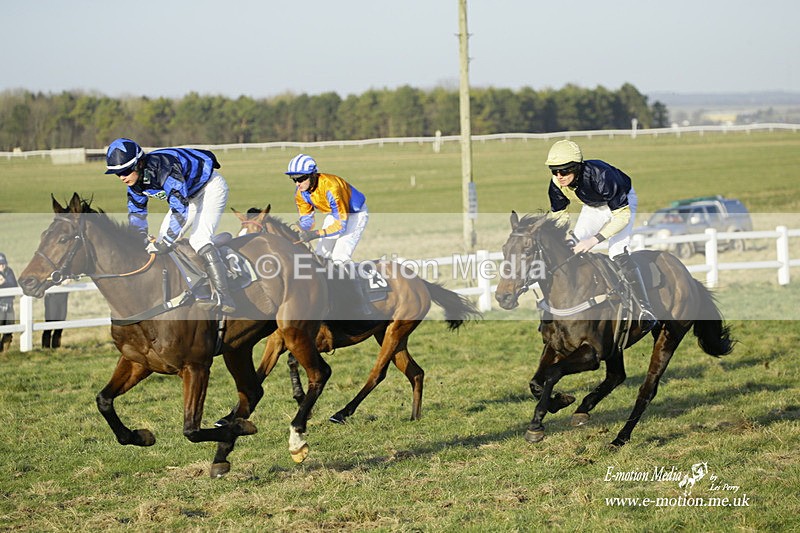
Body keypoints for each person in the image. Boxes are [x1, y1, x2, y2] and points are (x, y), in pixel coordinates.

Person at [104, 138, 236, 313]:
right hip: (188, 196)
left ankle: (224, 296)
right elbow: (137, 214)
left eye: (126, 171)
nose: (122, 177)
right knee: (162, 240)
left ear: (140, 164)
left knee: (198, 239)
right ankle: (199, 287)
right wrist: (140, 240)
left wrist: (165, 242)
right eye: (118, 173)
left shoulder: (165, 168)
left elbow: (179, 209)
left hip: (210, 188)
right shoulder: (134, 184)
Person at [544, 139, 656, 331]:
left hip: (622, 205)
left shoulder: (602, 176)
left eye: (564, 170)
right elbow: (559, 217)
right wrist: (562, 240)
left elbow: (621, 217)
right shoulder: (557, 184)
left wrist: (594, 240)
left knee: (617, 251)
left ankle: (644, 309)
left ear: (577, 167)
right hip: (593, 206)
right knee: (571, 248)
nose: (559, 176)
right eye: (554, 171)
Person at [285, 154, 369, 263]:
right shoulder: (300, 193)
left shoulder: (332, 188)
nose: (297, 184)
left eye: (301, 178)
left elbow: (340, 226)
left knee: (340, 258)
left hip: (355, 215)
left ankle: (357, 279)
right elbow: (307, 221)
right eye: (294, 180)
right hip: (335, 213)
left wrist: (314, 234)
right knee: (320, 256)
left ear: (313, 175)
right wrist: (297, 232)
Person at [0, 253, 18, 352]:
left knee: (9, 329)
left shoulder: (9, 272)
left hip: (9, 305)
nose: (2, 266)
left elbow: (14, 284)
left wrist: (4, 283)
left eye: (3, 263)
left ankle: (4, 352)